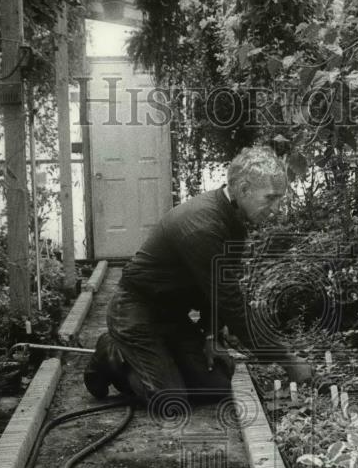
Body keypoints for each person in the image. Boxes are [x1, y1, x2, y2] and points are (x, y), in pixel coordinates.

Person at [83, 146, 313, 404]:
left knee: (217, 386)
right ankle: (111, 353)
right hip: (135, 310)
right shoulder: (203, 226)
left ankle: (159, 355)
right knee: (170, 399)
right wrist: (287, 359)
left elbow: (216, 289)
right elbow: (231, 303)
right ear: (245, 190)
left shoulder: (233, 220)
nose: (277, 208)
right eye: (270, 198)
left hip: (170, 314)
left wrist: (211, 336)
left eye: (279, 199)